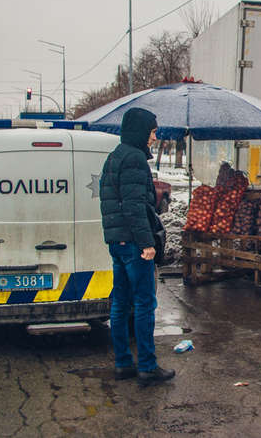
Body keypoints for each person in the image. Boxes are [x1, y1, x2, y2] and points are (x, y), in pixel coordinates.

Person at [99, 107, 175, 386]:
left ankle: (122, 364)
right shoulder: (133, 159)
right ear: (141, 131)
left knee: (120, 303)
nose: (154, 137)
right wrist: (147, 243)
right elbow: (133, 207)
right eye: (152, 131)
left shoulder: (115, 157)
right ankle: (147, 366)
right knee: (144, 303)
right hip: (134, 244)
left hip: (117, 243)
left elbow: (116, 202)